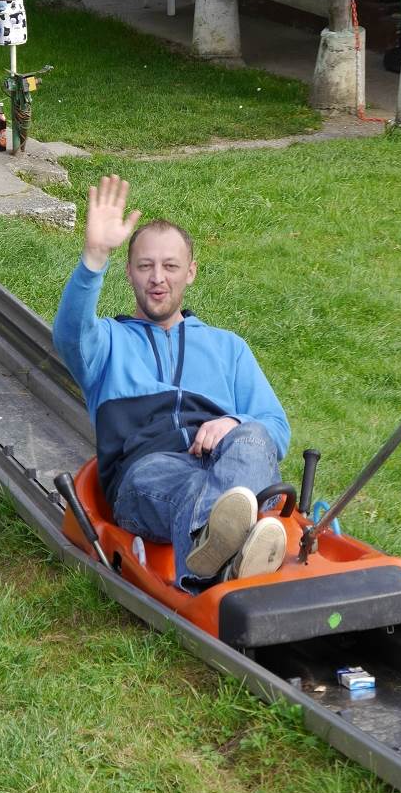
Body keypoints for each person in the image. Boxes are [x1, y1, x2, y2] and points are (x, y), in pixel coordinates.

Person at [53, 175, 290, 590]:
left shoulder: (229, 348)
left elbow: (276, 428)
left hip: (224, 465)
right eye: (145, 266)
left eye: (170, 266)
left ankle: (219, 551)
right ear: (128, 272)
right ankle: (221, 551)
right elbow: (69, 333)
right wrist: (94, 256)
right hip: (149, 474)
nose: (157, 278)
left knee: (253, 437)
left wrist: (232, 422)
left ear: (190, 273)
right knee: (190, 485)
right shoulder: (106, 344)